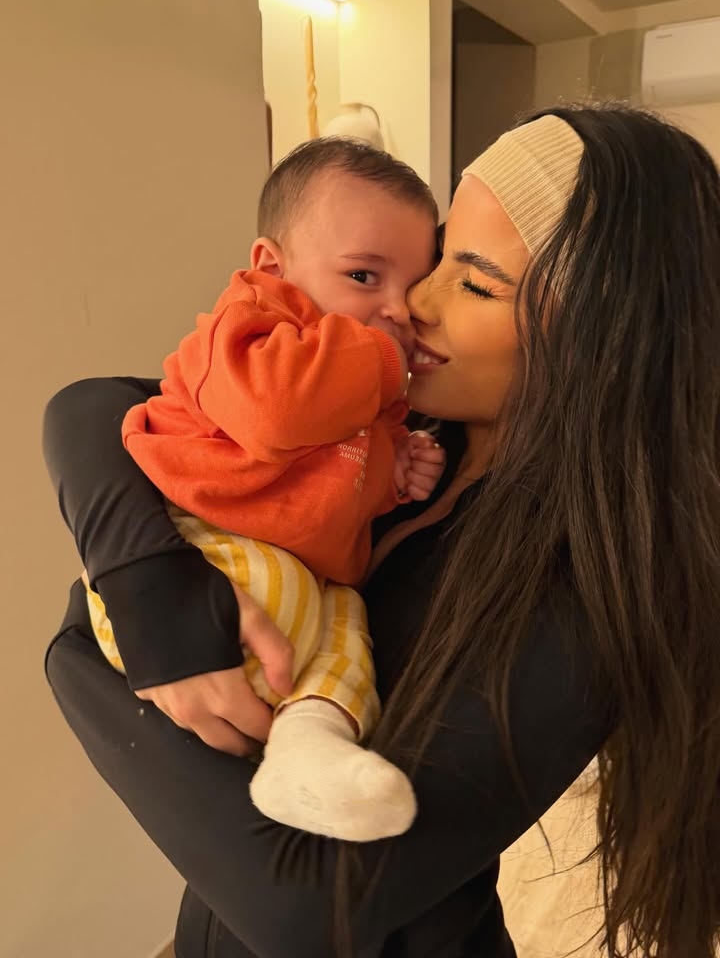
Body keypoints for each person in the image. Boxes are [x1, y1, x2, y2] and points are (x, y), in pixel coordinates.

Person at [43, 103, 720, 958]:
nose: (410, 306)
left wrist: (80, 655)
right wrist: (142, 576)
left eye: (472, 283)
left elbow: (306, 906)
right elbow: (96, 408)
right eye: (435, 257)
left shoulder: (593, 589)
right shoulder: (399, 434)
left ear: (605, 342)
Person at [85, 137, 444, 842]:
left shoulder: (356, 381)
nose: (397, 311)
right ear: (272, 267)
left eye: (415, 288)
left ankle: (309, 745)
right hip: (204, 543)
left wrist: (396, 472)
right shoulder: (249, 329)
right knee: (297, 604)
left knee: (349, 635)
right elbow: (277, 413)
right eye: (365, 276)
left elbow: (338, 486)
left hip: (306, 583)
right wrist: (383, 361)